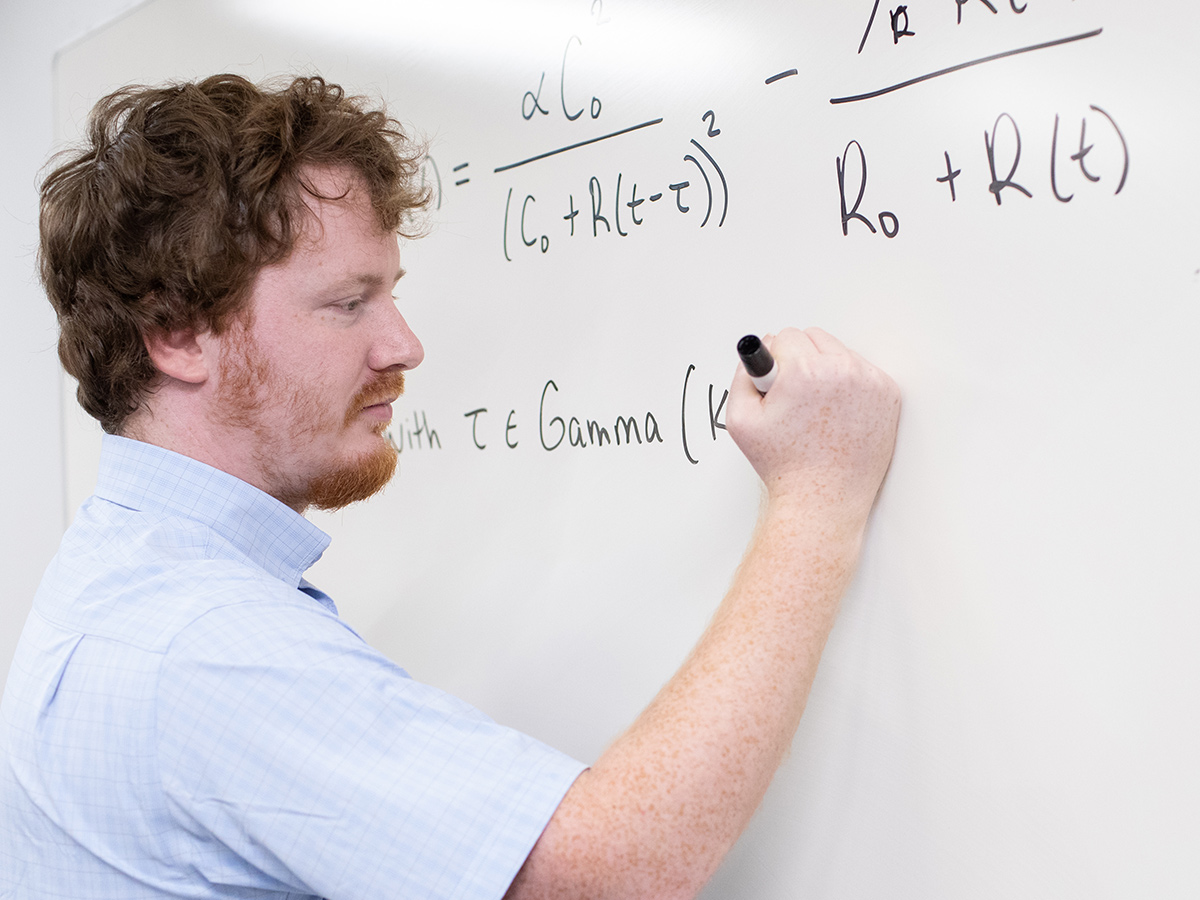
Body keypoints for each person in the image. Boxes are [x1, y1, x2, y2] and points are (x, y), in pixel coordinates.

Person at [0, 74, 900, 899]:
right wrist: (817, 502)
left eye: (390, 295)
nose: (403, 345)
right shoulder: (203, 645)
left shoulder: (123, 571)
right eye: (349, 303)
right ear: (179, 334)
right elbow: (609, 874)